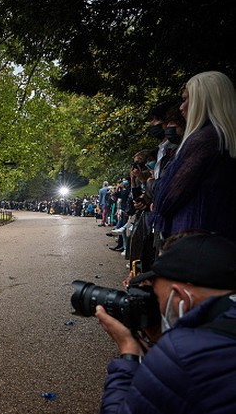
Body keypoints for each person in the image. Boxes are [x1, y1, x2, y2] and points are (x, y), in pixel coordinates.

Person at [95, 232, 236, 413]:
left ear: (182, 298)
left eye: (158, 298)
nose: (156, 305)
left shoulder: (182, 354)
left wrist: (129, 351)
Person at [151, 71, 236, 242]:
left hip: (192, 235)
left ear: (204, 101)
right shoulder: (223, 138)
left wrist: (158, 196)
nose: (182, 107)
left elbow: (172, 194)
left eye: (186, 99)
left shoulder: (205, 140)